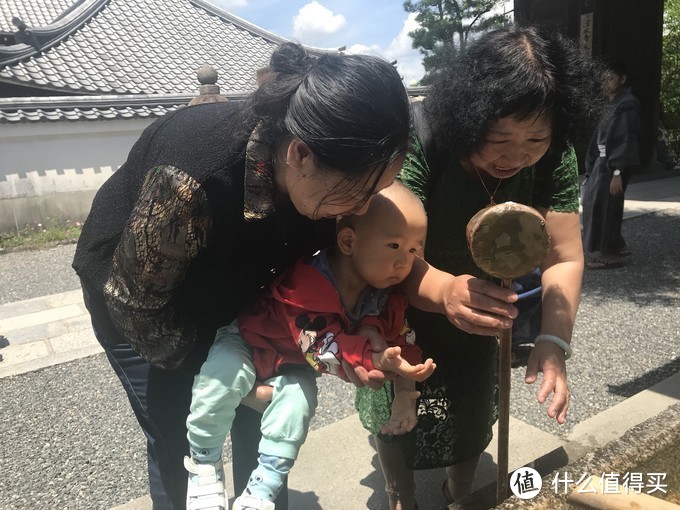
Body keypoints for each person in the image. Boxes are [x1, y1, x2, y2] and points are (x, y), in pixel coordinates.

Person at [71, 42, 415, 510]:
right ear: (299, 154)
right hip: (145, 304)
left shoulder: (330, 180)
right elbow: (138, 308)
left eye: (376, 191)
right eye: (356, 193)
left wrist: (358, 336)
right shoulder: (191, 175)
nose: (361, 209)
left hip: (244, 295)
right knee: (182, 430)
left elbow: (333, 277)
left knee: (260, 420)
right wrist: (228, 382)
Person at [355, 24, 603, 509]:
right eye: (499, 138)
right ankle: (399, 497)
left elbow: (565, 255)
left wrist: (553, 341)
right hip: (399, 294)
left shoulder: (553, 156)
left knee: (471, 410)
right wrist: (444, 288)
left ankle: (461, 494)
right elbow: (380, 251)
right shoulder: (424, 141)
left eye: (534, 138)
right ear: (468, 117)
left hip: (483, 306)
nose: (516, 156)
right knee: (393, 409)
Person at [185, 182, 435, 510]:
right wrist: (371, 357)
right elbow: (317, 343)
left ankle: (261, 490)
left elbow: (400, 342)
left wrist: (404, 387)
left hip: (293, 365)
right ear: (348, 241)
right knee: (220, 381)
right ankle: (203, 464)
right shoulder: (308, 280)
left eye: (415, 250)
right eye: (394, 246)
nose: (406, 262)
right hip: (248, 341)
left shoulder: (383, 296)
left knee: (297, 407)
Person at [582, 60, 641, 269]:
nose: (606, 82)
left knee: (608, 206)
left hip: (613, 165)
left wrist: (617, 170)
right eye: (604, 78)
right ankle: (615, 244)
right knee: (593, 204)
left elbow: (625, 136)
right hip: (603, 162)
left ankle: (609, 253)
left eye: (611, 78)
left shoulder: (627, 103)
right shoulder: (612, 102)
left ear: (622, 79)